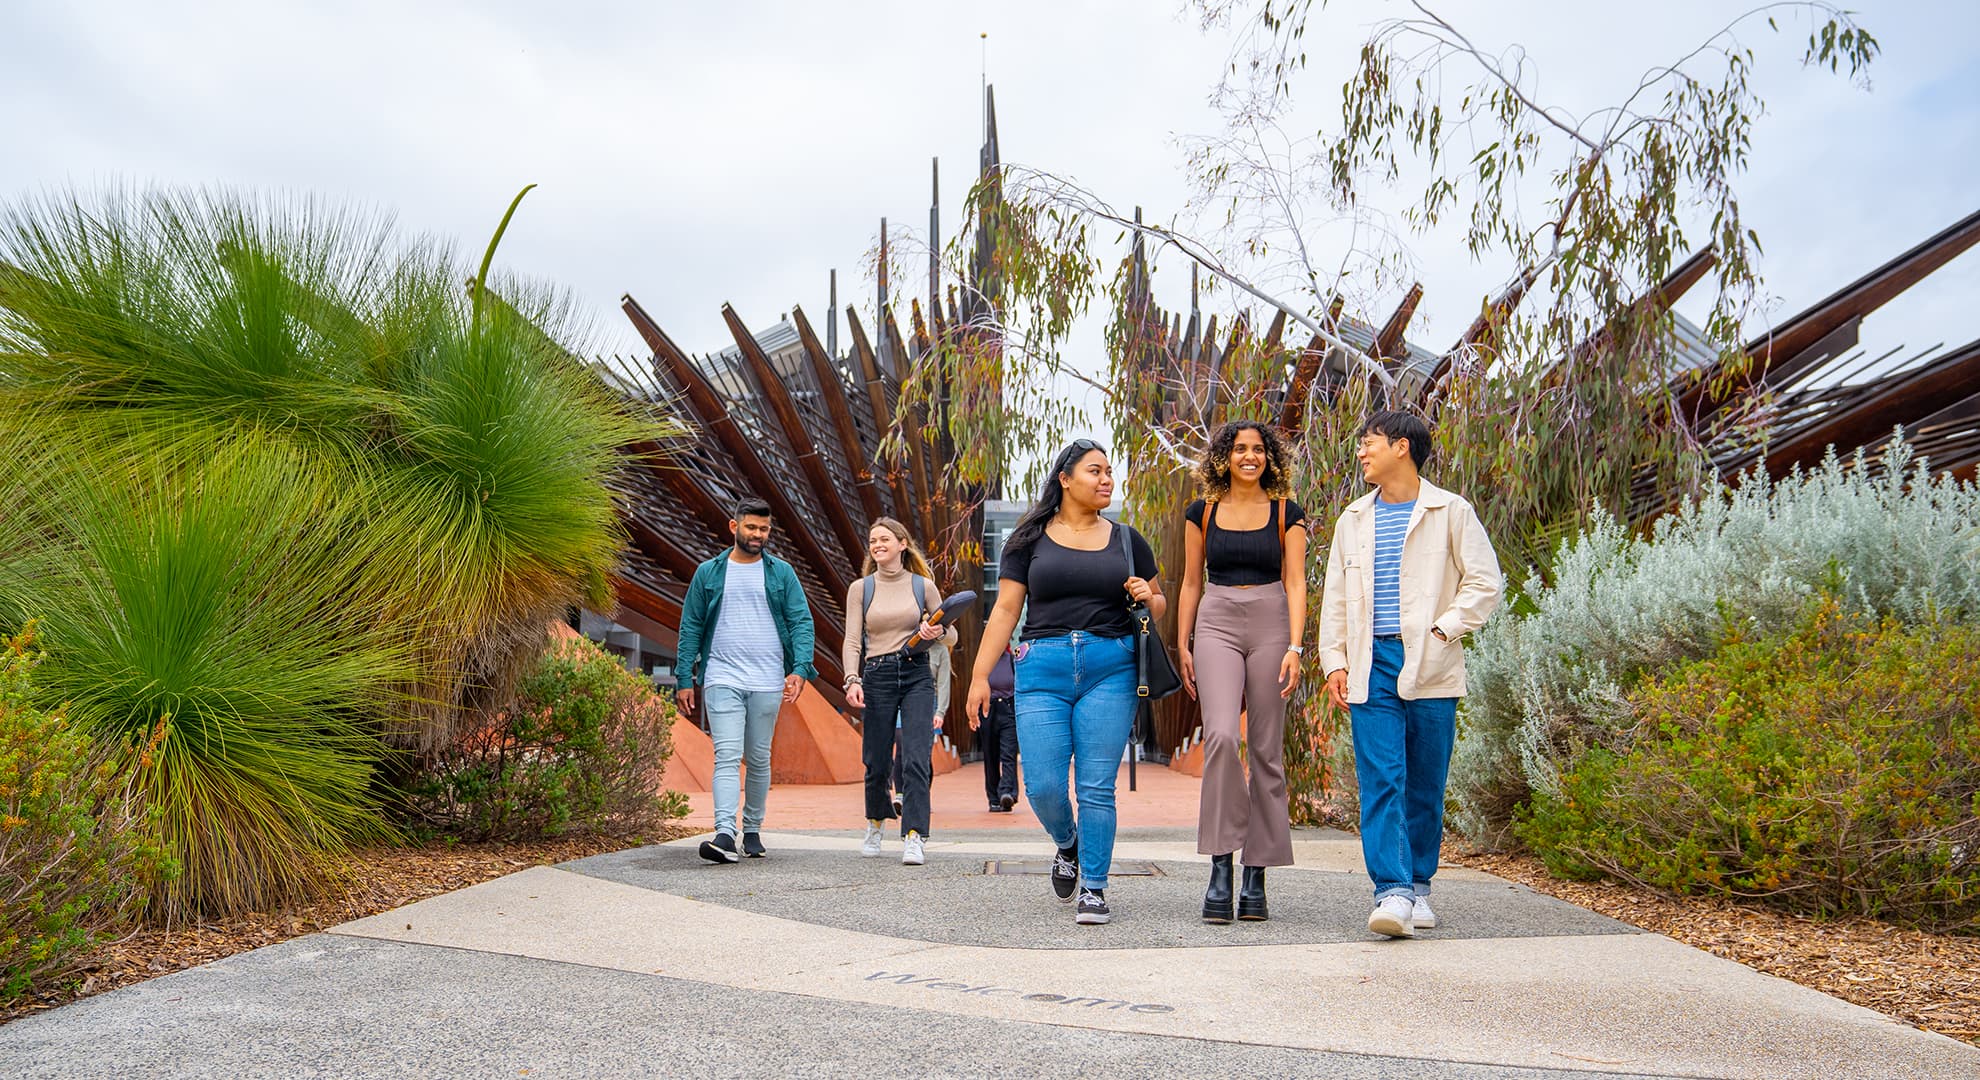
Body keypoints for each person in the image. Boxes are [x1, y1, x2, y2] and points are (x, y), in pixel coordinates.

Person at [1317, 411, 1502, 938]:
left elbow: (1484, 583)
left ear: (1401, 446)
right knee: (1381, 777)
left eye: (1368, 442)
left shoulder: (1451, 511)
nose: (1361, 452)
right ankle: (1392, 891)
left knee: (1424, 781)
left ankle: (1419, 886)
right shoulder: (1353, 518)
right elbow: (1334, 598)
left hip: (1432, 662)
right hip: (1370, 663)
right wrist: (1335, 659)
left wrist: (1444, 631)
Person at [967, 439, 1165, 926]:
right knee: (1043, 786)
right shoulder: (1027, 540)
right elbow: (1007, 610)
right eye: (1095, 471)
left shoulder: (1127, 540)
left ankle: (1094, 887)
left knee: (1097, 785)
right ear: (1065, 478)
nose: (1106, 480)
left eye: (1109, 473)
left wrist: (1147, 595)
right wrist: (977, 676)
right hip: (1042, 668)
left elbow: (1157, 605)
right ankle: (1068, 843)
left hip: (1109, 665)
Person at [1175, 421, 1307, 924]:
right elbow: (1190, 582)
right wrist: (1183, 643)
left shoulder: (1286, 514)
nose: (1248, 456)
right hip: (1217, 620)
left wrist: (1296, 644)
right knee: (1223, 738)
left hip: (1273, 619)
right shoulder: (1201, 512)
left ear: (1269, 458)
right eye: (1238, 449)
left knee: (1266, 750)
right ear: (1223, 458)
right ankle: (1221, 865)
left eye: (1257, 449)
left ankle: (1257, 872)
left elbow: (1296, 582)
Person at [675, 497, 818, 865]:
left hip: (768, 679)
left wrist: (800, 668)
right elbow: (690, 626)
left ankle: (752, 827)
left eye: (764, 529)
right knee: (726, 754)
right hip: (722, 675)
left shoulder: (781, 573)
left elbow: (802, 621)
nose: (758, 534)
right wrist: (684, 678)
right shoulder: (709, 572)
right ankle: (724, 832)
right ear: (733, 526)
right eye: (751, 527)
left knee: (757, 757)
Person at [843, 518, 953, 866]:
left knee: (917, 758)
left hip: (917, 674)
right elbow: (851, 639)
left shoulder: (923, 586)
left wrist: (934, 632)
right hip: (876, 675)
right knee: (876, 760)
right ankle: (876, 822)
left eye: (884, 539)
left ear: (902, 544)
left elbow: (951, 636)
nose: (876, 545)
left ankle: (914, 835)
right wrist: (851, 679)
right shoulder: (861, 588)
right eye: (872, 540)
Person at [971, 645, 1019, 812]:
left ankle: (1007, 792)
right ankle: (993, 798)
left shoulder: (1011, 660)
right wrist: (973, 713)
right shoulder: (982, 663)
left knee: (1008, 753)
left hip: (1007, 709)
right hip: (987, 709)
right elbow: (975, 687)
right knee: (990, 755)